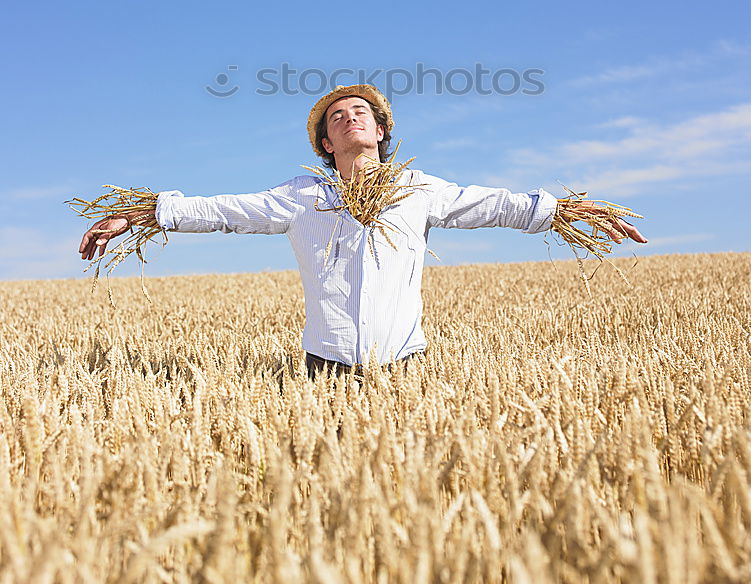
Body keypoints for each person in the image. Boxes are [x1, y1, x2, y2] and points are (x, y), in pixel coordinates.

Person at [77, 84, 647, 379]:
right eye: (336, 117)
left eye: (360, 113)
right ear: (326, 144)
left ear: (380, 130)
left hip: (404, 363)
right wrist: (141, 213)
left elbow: (496, 204)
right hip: (324, 364)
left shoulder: (416, 189)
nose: (349, 118)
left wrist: (571, 212)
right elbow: (223, 209)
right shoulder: (301, 197)